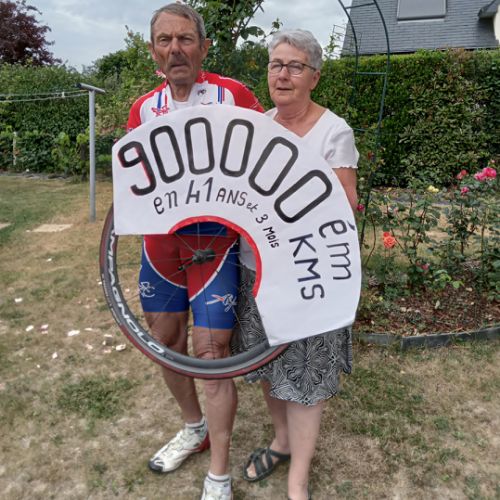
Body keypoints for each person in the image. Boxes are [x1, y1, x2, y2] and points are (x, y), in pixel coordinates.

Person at [126, 4, 263, 500]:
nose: (175, 49)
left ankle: (219, 474)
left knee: (212, 353)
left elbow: (267, 163)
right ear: (153, 51)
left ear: (204, 47)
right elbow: (135, 180)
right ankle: (194, 427)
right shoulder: (143, 108)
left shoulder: (234, 95)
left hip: (214, 243)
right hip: (161, 244)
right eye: (165, 40)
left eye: (185, 39)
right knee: (166, 341)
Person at [238, 29, 359, 500]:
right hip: (257, 270)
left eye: (294, 66)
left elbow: (346, 207)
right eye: (275, 65)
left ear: (314, 77)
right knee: (269, 363)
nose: (282, 75)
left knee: (306, 376)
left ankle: (298, 480)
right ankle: (282, 441)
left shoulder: (333, 131)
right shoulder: (257, 125)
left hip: (311, 277)